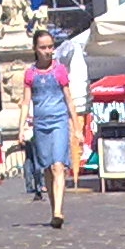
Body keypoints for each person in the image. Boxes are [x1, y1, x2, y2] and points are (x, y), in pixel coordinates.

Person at [23, 26, 73, 227]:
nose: (48, 51)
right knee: (47, 170)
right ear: (35, 48)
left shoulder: (60, 70)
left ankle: (59, 211)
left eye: (51, 47)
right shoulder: (30, 73)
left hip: (59, 120)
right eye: (43, 47)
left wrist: (76, 126)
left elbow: (69, 99)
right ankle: (54, 210)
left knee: (58, 165)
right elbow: (26, 102)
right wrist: (20, 128)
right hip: (40, 123)